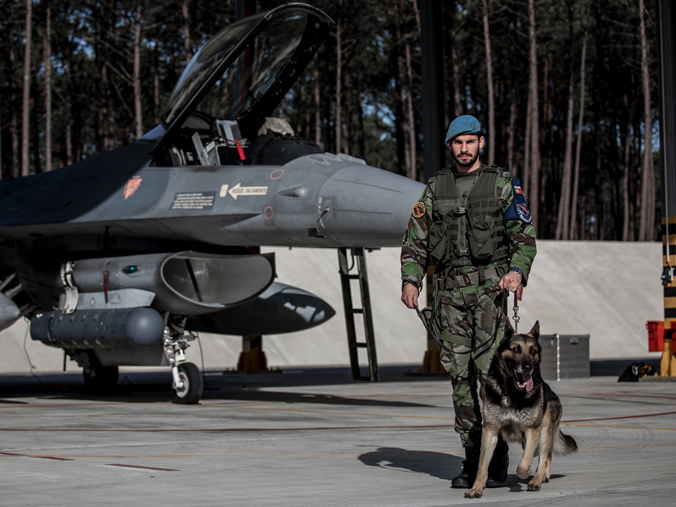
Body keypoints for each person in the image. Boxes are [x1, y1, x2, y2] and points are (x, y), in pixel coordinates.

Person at [400, 115, 537, 489]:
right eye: (457, 143)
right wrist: (411, 280)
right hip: (448, 298)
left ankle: (497, 461)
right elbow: (415, 242)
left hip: (489, 294)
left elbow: (524, 236)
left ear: (481, 143)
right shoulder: (434, 189)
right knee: (460, 378)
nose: (464, 149)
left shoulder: (502, 185)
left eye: (470, 142)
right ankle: (473, 458)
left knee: (489, 377)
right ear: (451, 146)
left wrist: (517, 273)